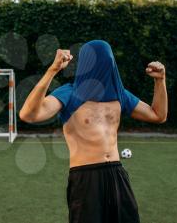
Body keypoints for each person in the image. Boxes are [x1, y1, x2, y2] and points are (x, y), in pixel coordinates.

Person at [19, 40, 168, 223]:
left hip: (117, 174)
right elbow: (29, 114)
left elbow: (158, 115)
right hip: (86, 177)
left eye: (107, 59)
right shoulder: (70, 93)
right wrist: (53, 70)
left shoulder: (120, 94)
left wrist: (160, 81)